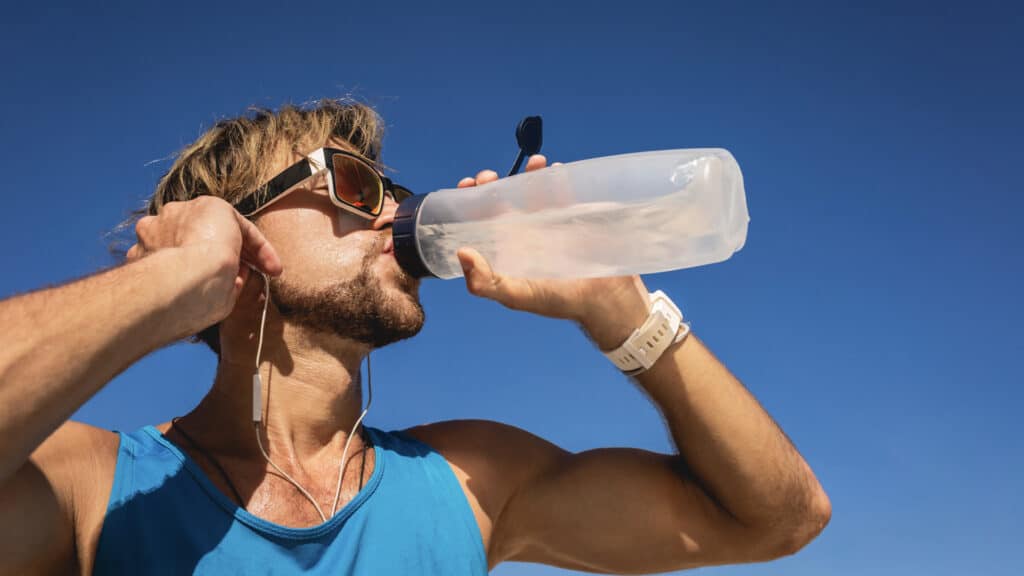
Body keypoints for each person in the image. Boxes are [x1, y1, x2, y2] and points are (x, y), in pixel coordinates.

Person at [0, 100, 830, 575]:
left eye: (393, 190)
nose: (398, 211)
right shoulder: (93, 493)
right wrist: (169, 281)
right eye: (355, 185)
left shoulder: (470, 479)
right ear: (237, 229)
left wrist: (620, 314)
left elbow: (776, 520)